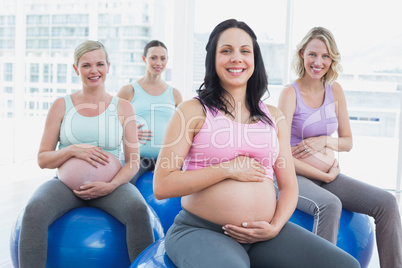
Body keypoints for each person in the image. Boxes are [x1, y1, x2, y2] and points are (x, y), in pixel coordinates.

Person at [153, 19, 360, 268]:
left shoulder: (273, 116)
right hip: (201, 230)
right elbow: (162, 185)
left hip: (264, 235)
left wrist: (274, 227)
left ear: (255, 59)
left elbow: (289, 188)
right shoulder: (192, 111)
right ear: (213, 58)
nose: (236, 58)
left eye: (245, 51)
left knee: (344, 265)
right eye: (226, 50)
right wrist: (226, 169)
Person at [18, 40, 154, 267]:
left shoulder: (123, 107)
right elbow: (43, 158)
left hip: (112, 186)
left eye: (100, 64)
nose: (94, 71)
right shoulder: (61, 105)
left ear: (108, 67)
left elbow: (132, 162)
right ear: (75, 69)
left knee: (138, 210)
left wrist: (111, 185)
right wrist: (72, 149)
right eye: (86, 65)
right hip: (65, 186)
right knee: (34, 210)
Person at [278, 26, 402, 268]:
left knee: (387, 202)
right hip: (293, 177)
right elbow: (280, 154)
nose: (318, 61)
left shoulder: (334, 90)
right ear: (302, 53)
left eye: (325, 56)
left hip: (328, 176)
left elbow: (347, 141)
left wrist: (325, 140)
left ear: (332, 60)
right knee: (330, 204)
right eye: (313, 54)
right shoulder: (289, 94)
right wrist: (324, 174)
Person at [117, 40, 182, 185]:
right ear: (144, 59)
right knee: (122, 184)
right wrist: (127, 133)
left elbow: (182, 130)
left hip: (166, 158)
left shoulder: (175, 94)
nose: (158, 62)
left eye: (163, 58)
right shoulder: (128, 91)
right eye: (153, 58)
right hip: (136, 158)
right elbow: (109, 125)